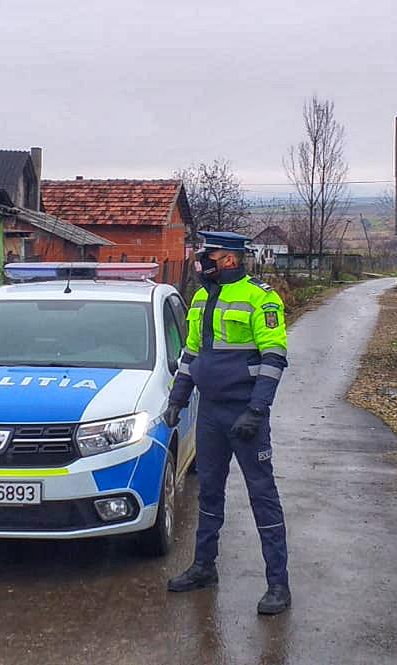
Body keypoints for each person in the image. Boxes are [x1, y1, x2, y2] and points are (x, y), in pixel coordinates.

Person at [162, 231, 291, 616]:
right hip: (210, 413)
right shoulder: (202, 298)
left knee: (262, 495)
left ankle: (278, 584)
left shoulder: (261, 298)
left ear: (230, 258)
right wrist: (177, 400)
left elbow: (274, 358)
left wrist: (257, 410)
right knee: (209, 492)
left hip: (245, 413)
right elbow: (191, 355)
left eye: (211, 253)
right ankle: (204, 567)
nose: (203, 259)